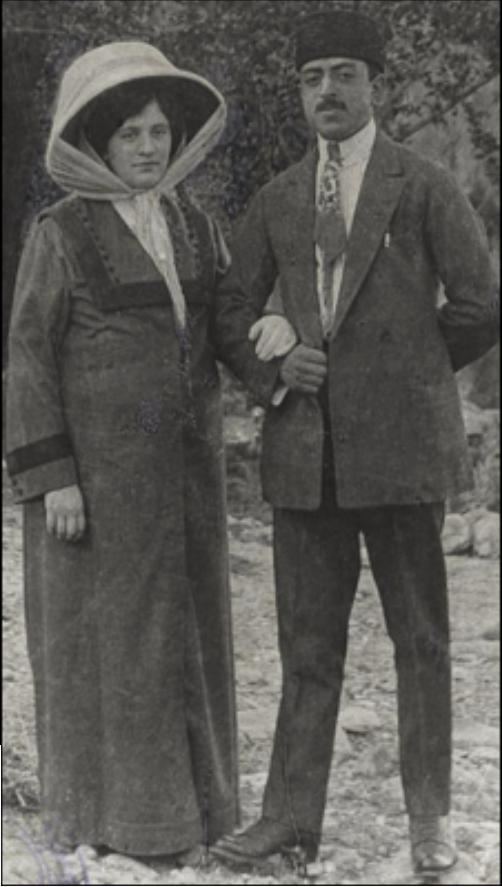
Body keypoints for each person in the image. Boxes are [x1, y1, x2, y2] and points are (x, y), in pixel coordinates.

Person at [210, 10, 499, 878]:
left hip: (403, 456)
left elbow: (482, 302)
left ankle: (428, 821)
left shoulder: (421, 186)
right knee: (306, 650)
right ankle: (290, 822)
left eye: (344, 74)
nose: (328, 92)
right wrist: (273, 363)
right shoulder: (278, 197)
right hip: (307, 458)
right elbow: (229, 313)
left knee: (422, 641)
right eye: (312, 78)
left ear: (373, 83)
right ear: (299, 93)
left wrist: (402, 373)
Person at [5, 41, 291, 860]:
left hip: (184, 481)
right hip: (95, 488)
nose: (148, 146)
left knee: (186, 634)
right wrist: (52, 475)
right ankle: (116, 825)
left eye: (159, 130)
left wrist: (274, 353)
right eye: (129, 132)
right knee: (111, 644)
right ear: (97, 142)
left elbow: (226, 331)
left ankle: (193, 818)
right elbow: (27, 356)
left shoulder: (194, 224)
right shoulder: (58, 234)